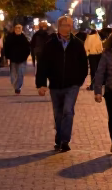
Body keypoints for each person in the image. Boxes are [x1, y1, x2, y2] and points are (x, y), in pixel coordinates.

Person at [36, 15, 89, 151]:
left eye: (69, 25)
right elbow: (42, 65)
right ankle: (59, 138)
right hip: (55, 84)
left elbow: (83, 65)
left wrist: (79, 80)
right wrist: (41, 84)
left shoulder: (77, 44)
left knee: (68, 111)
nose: (67, 28)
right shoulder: (50, 44)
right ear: (59, 27)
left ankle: (65, 140)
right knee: (58, 113)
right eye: (64, 25)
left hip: (72, 85)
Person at [3, 24, 31, 95]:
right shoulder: (10, 37)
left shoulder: (24, 38)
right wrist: (7, 56)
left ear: (21, 29)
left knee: (20, 73)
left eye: (19, 28)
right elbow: (6, 47)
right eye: (17, 28)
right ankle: (15, 85)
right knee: (13, 74)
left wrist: (25, 56)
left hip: (22, 59)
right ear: (14, 29)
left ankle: (18, 87)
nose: (18, 29)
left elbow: (28, 48)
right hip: (13, 58)